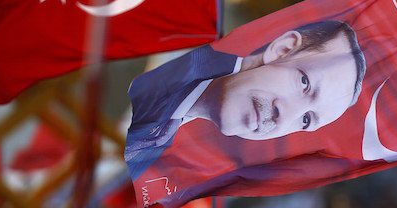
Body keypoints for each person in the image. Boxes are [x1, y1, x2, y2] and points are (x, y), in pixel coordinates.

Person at [125, 20, 366, 179]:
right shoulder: (170, 49)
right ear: (283, 49)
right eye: (305, 83)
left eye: (306, 120)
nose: (285, 116)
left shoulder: (162, 143)